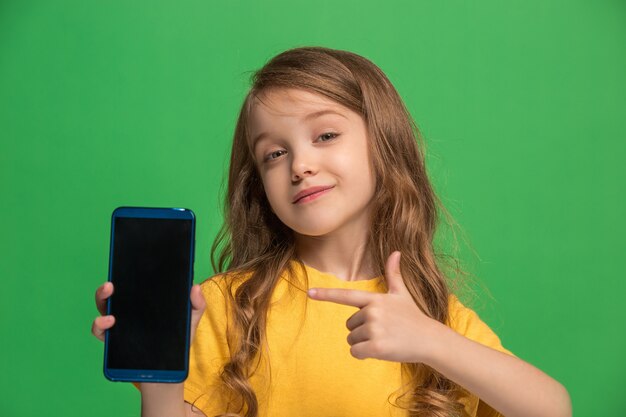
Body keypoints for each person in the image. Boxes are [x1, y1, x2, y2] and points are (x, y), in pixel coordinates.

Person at [92, 46, 572, 417]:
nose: (300, 165)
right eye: (274, 154)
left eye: (325, 135)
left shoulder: (428, 314)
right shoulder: (227, 305)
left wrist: (430, 341)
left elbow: (554, 407)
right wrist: (161, 389)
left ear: (385, 142)